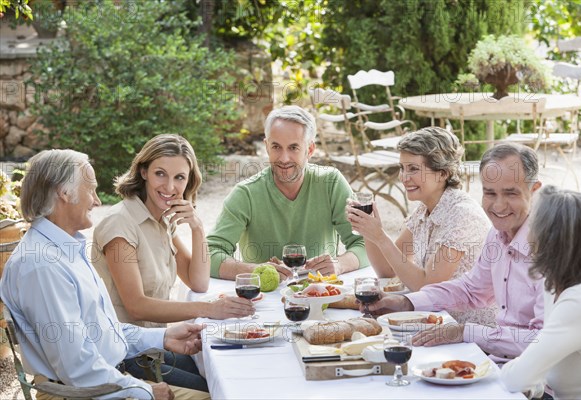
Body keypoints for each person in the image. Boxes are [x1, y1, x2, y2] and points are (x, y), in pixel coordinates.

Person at [0, 149, 209, 400]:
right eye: (91, 190)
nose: (97, 201)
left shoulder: (65, 248)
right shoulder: (42, 266)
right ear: (64, 193)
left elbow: (101, 332)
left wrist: (163, 336)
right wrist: (144, 389)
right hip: (76, 392)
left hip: (104, 378)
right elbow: (77, 367)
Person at [92, 134, 254, 390]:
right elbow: (136, 306)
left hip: (153, 346)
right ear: (143, 171)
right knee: (214, 388)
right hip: (124, 354)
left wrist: (198, 228)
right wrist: (209, 309)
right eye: (160, 174)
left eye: (179, 177)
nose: (169, 186)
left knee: (227, 370)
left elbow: (198, 281)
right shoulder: (120, 224)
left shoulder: (163, 220)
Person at [366, 143, 545, 362]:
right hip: (501, 360)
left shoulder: (550, 249)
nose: (498, 205)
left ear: (534, 190)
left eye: (511, 193)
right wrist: (407, 302)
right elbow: (471, 290)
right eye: (490, 193)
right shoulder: (497, 235)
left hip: (541, 382)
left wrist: (465, 332)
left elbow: (543, 341)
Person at [347, 127, 496, 326]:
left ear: (443, 173)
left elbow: (427, 287)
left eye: (413, 169)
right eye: (402, 168)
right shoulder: (425, 210)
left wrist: (381, 237)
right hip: (437, 321)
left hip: (471, 333)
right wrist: (369, 231)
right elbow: (387, 270)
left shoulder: (462, 214)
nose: (403, 177)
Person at [207, 105, 369, 280]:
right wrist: (256, 271)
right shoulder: (245, 194)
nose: (284, 159)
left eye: (293, 148)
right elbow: (209, 254)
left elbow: (366, 242)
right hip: (262, 298)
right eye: (276, 147)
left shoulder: (331, 183)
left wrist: (339, 265)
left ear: (310, 150)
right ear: (267, 146)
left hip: (320, 294)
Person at [500, 186, 581, 400]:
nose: (527, 232)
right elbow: (546, 365)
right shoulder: (553, 285)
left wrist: (520, 374)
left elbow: (514, 379)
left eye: (533, 223)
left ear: (550, 237)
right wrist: (532, 385)